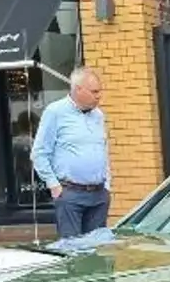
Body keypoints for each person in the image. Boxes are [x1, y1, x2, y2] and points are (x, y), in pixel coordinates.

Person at [31, 66, 112, 239]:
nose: (99, 96)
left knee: (98, 247)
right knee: (72, 247)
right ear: (78, 89)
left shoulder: (98, 115)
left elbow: (103, 150)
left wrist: (107, 186)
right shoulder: (55, 112)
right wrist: (54, 185)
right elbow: (39, 153)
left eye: (99, 91)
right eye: (94, 91)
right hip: (70, 194)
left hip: (99, 194)